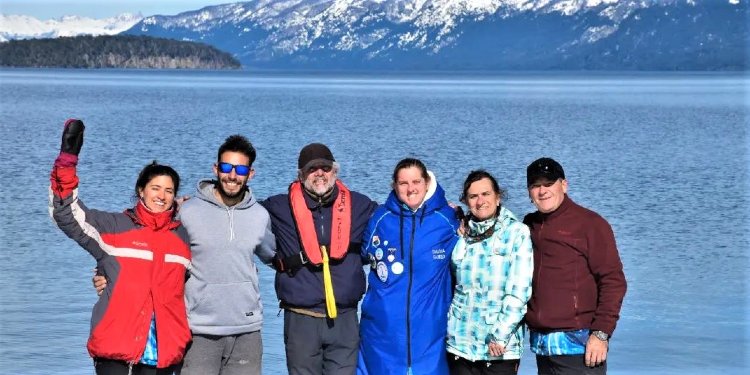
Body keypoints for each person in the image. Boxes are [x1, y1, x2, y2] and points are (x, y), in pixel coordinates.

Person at [94, 135, 276, 375]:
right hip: (198, 329)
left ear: (250, 173)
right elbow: (144, 238)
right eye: (226, 167)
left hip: (247, 331)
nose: (232, 175)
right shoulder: (187, 212)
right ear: (216, 168)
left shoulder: (259, 216)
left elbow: (275, 257)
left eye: (240, 168)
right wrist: (105, 273)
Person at [49, 119, 191, 375]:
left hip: (163, 352)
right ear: (141, 190)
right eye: (155, 188)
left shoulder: (182, 237)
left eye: (169, 191)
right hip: (115, 347)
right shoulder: (114, 227)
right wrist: (67, 161)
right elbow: (67, 215)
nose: (162, 196)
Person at [262, 143, 378, 375]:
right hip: (301, 320)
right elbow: (238, 213)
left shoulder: (361, 205)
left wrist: (446, 210)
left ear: (335, 171)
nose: (319, 174)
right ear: (300, 175)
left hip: (344, 321)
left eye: (325, 168)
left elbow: (397, 215)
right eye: (311, 169)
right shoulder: (278, 207)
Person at [523, 157, 627, 375]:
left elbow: (613, 281)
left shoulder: (590, 224)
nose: (542, 191)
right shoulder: (529, 225)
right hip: (543, 347)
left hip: (580, 347)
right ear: (529, 192)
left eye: (548, 183)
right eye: (535, 185)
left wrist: (601, 333)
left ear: (564, 185)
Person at [357, 158, 460, 375]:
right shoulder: (381, 218)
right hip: (382, 332)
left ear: (426, 183)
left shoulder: (448, 219)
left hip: (431, 334)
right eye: (403, 183)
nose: (410, 189)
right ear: (394, 186)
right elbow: (360, 255)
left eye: (416, 182)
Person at [446, 170, 534, 375]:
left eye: (486, 194)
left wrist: (500, 335)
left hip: (498, 349)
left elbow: (519, 293)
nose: (480, 201)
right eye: (473, 196)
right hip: (460, 345)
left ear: (498, 196)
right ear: (466, 201)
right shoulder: (462, 235)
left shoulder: (516, 233)